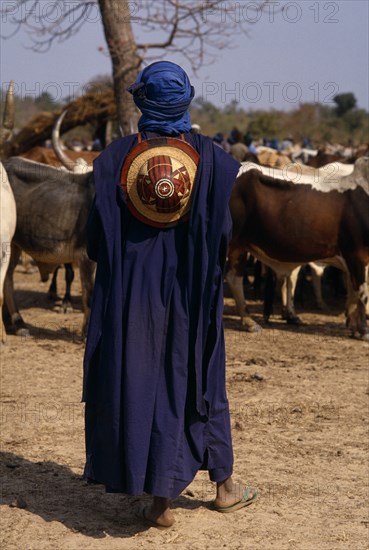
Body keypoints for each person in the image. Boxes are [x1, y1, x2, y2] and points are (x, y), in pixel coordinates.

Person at [82, 60, 257, 529]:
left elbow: (96, 242)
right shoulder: (216, 163)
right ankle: (224, 487)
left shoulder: (113, 160)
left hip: (131, 296)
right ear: (184, 100)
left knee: (141, 383)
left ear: (142, 101)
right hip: (192, 295)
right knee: (200, 377)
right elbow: (222, 236)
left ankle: (158, 503)